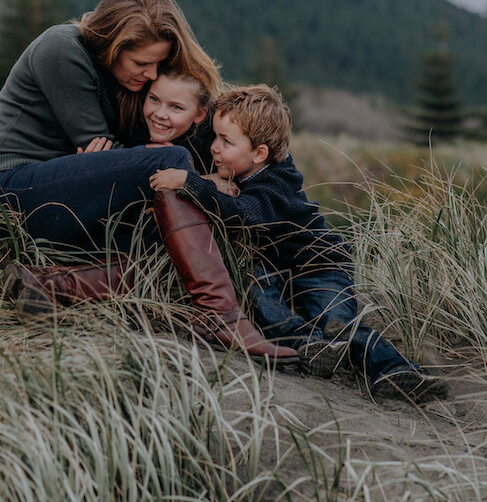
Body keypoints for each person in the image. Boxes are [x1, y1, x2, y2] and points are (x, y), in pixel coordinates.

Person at [0, 0, 296, 363]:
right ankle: (218, 315)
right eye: (142, 64)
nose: (151, 73)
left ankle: (47, 286)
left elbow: (125, 156)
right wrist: (195, 178)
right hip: (8, 194)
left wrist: (262, 180)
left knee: (168, 233)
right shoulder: (61, 49)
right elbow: (100, 151)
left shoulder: (131, 81)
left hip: (68, 203)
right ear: (112, 45)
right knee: (170, 165)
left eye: (158, 64)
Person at [150, 84, 444, 397]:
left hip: (319, 264)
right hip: (275, 268)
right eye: (216, 137)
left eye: (226, 141)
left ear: (259, 153)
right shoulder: (241, 164)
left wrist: (192, 183)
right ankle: (307, 344)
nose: (215, 148)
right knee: (261, 293)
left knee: (338, 322)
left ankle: (393, 369)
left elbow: (242, 215)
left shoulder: (276, 184)